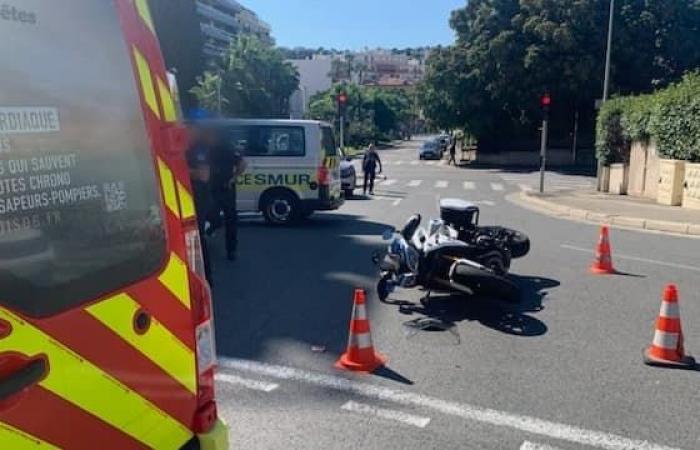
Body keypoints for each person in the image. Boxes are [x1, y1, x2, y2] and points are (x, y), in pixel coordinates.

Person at [208, 129, 247, 261]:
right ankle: (212, 227)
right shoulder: (208, 148)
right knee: (212, 215)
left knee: (230, 219)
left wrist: (233, 178)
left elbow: (242, 163)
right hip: (212, 187)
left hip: (225, 187)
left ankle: (231, 250)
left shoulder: (226, 148)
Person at [186, 134, 214, 284]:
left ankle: (206, 278)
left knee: (197, 236)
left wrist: (180, 169)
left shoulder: (198, 149)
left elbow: (203, 175)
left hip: (199, 198)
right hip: (190, 198)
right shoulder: (187, 148)